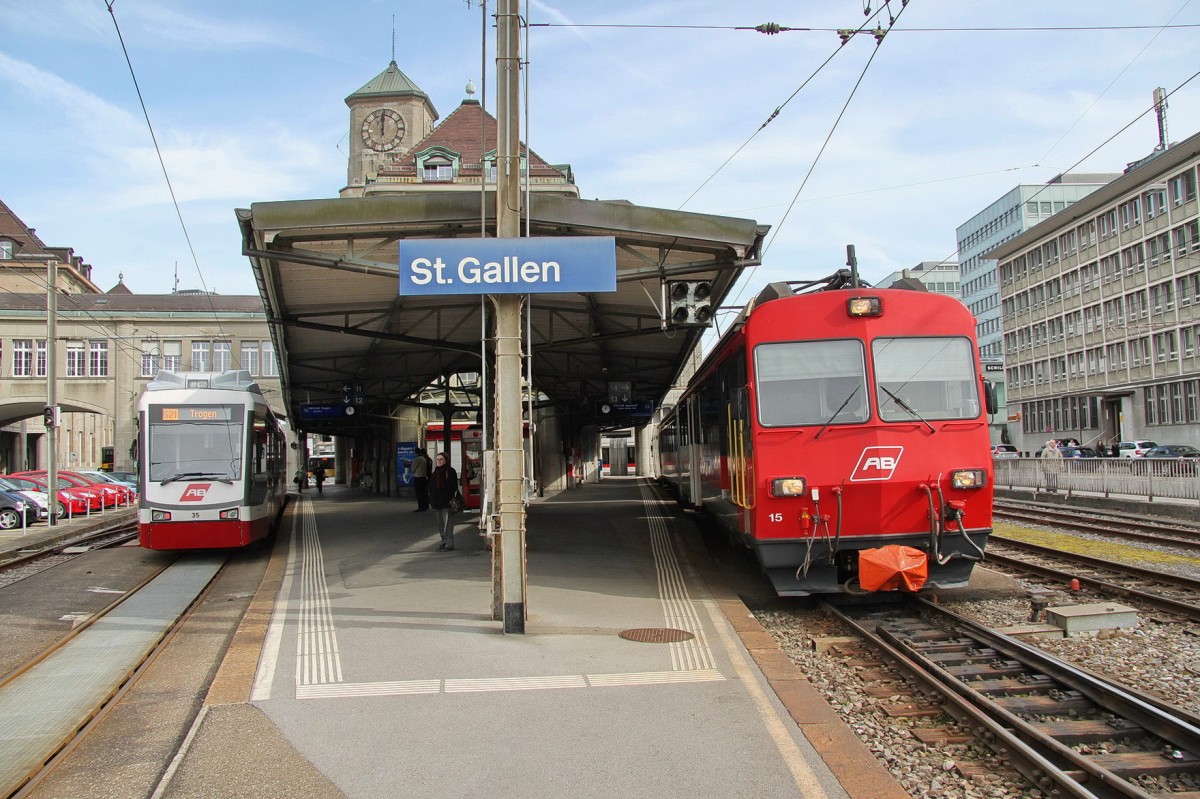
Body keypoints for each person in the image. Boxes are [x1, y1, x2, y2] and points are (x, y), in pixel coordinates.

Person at [429, 452, 460, 551]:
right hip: (436, 503)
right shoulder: (435, 472)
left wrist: (447, 497)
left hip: (446, 502)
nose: (439, 461)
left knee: (448, 524)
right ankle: (443, 541)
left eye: (441, 459)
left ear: (446, 460)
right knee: (440, 524)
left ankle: (449, 544)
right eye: (437, 459)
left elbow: (453, 487)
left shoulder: (450, 471)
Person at [412, 447, 432, 512]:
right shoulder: (424, 459)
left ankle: (420, 507)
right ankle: (425, 506)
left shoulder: (417, 459)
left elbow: (413, 469)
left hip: (418, 478)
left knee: (419, 493)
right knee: (424, 493)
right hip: (424, 478)